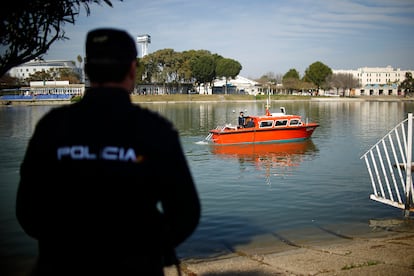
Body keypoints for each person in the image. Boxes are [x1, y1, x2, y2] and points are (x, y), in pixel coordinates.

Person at [16, 28, 200, 276]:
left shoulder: (51, 126)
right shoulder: (156, 130)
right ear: (133, 70)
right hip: (136, 266)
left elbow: (27, 210)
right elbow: (186, 214)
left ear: (88, 70)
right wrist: (147, 247)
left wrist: (63, 241)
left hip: (60, 264)